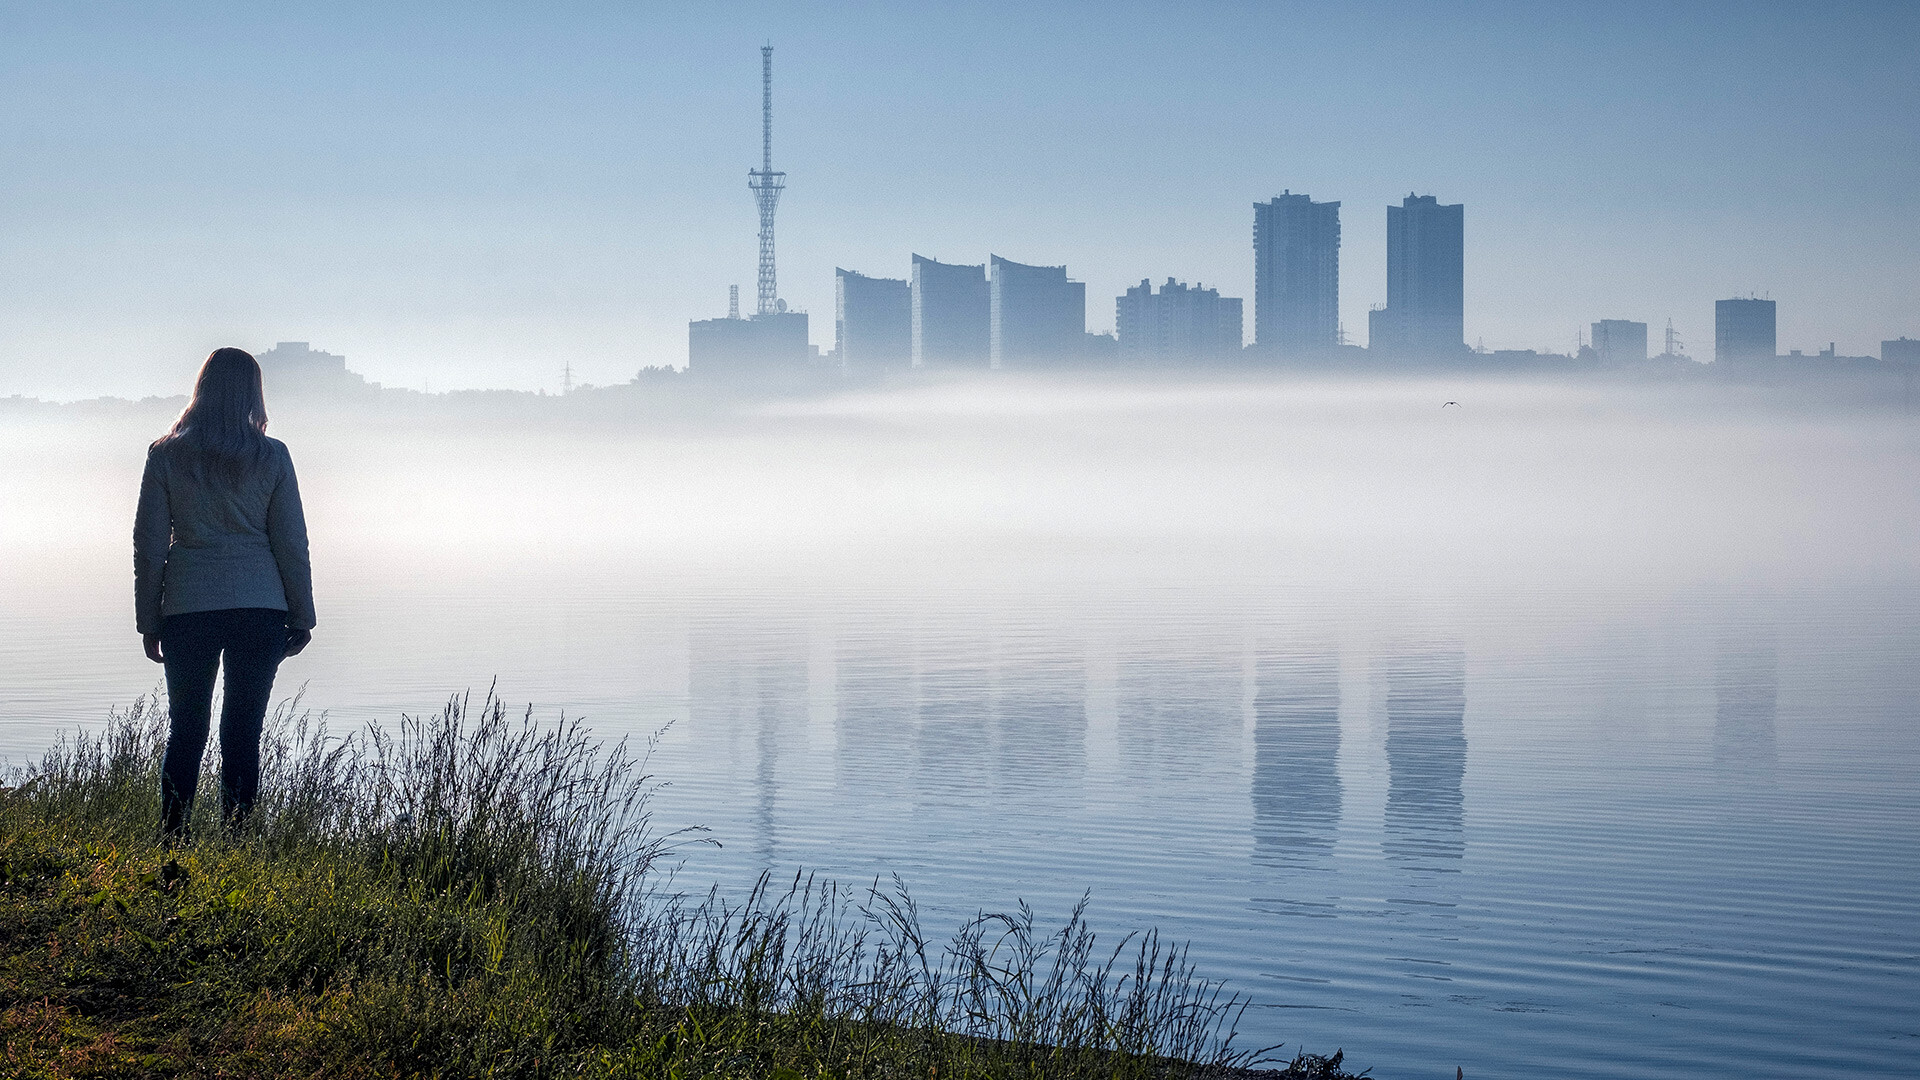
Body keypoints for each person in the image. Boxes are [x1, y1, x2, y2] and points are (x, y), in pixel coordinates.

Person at [134, 348, 314, 842]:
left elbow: (149, 548)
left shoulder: (166, 453)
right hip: (260, 607)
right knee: (242, 729)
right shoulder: (272, 455)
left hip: (188, 606)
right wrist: (302, 614)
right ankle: (236, 841)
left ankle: (173, 837)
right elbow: (291, 542)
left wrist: (148, 619)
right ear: (254, 393)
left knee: (187, 728)